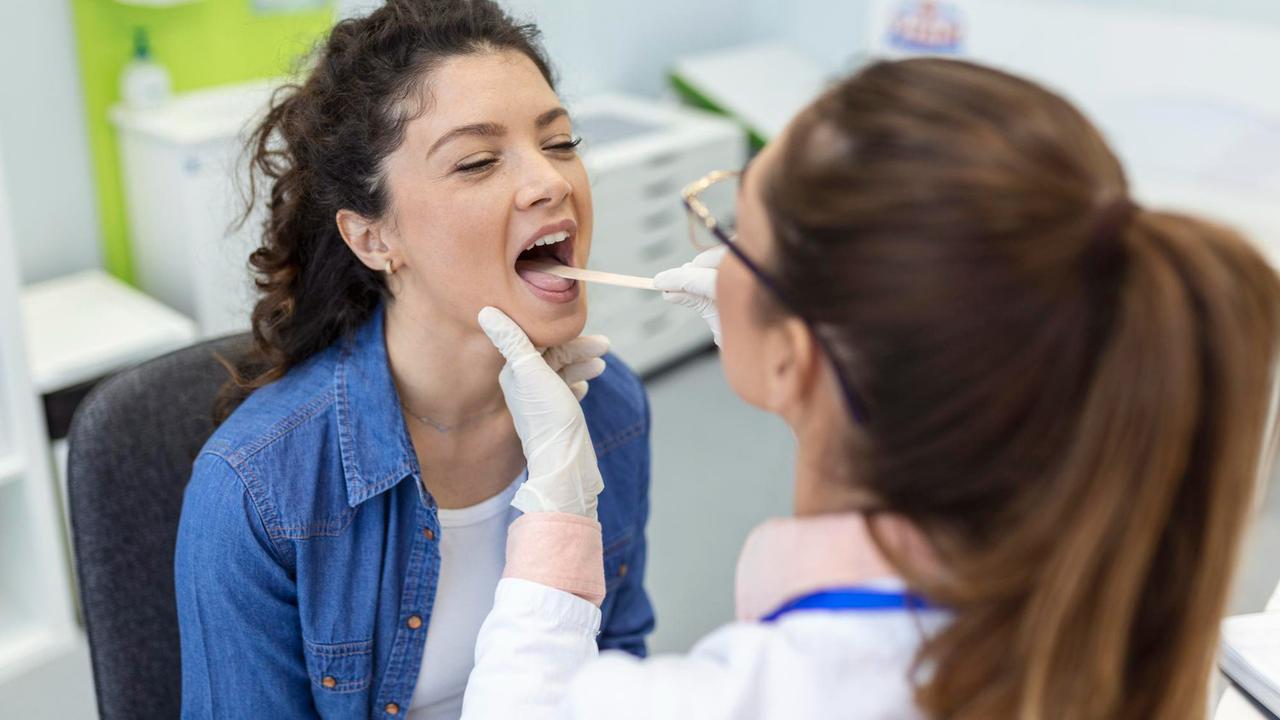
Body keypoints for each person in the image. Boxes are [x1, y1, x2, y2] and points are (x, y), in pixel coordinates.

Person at [460, 57, 1280, 719]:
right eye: (475, 161)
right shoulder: (1097, 586)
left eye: (740, 234)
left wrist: (560, 511)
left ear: (800, 354)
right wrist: (802, 378)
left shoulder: (792, 692)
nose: (548, 185)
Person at [173, 2, 655, 717]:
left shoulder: (606, 407)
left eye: (560, 143)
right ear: (372, 239)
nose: (552, 182)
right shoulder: (256, 493)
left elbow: (616, 664)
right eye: (478, 161)